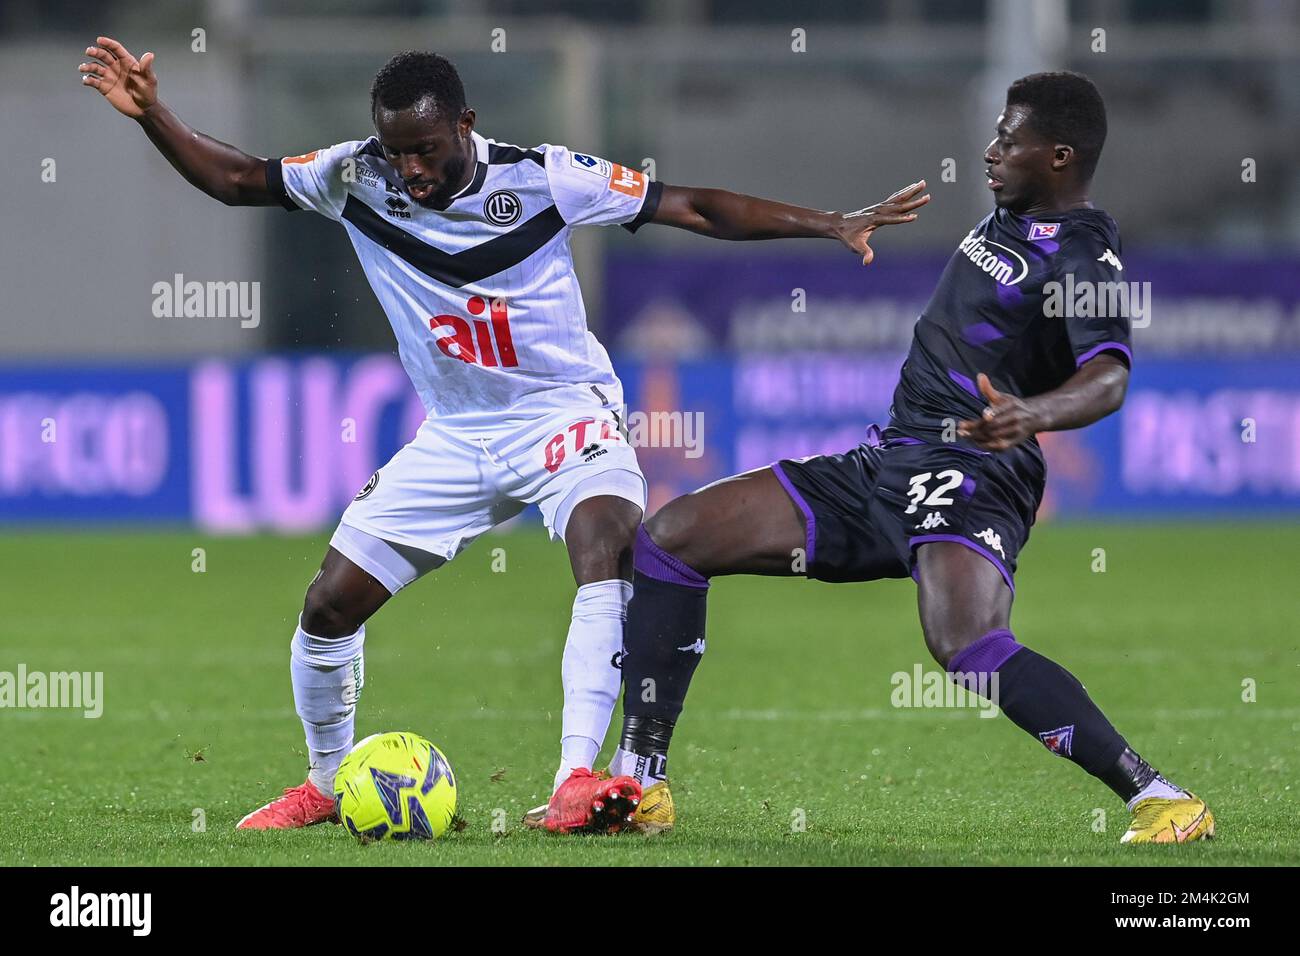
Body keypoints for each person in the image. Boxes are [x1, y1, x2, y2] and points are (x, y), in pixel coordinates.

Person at [81, 38, 929, 833]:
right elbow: (235, 179)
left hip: (565, 412)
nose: (410, 170)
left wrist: (829, 222)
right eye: (396, 152)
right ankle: (329, 782)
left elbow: (694, 206)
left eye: (427, 150)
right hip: (455, 434)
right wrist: (156, 112)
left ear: (466, 126)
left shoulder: (547, 178)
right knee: (327, 605)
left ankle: (576, 780)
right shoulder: (352, 174)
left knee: (610, 544)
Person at [599, 72, 1214, 845]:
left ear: (1059, 156)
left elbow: (1110, 376)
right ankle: (640, 781)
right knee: (671, 538)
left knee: (967, 645)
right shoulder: (1009, 219)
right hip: (888, 462)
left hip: (972, 467)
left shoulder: (1082, 253)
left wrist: (1032, 414)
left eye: (1008, 139)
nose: (990, 152)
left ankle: (1158, 796)